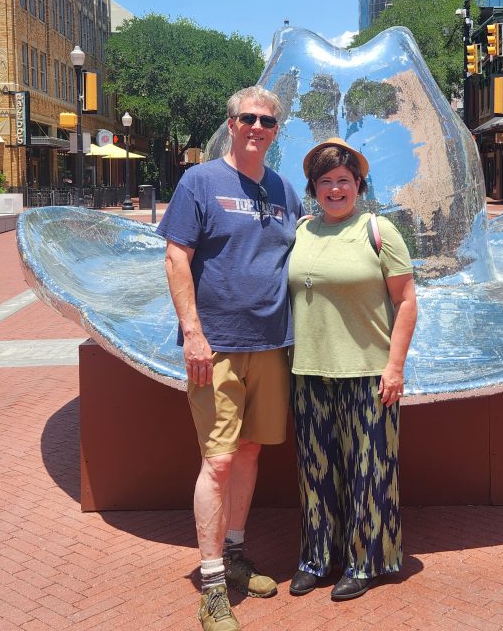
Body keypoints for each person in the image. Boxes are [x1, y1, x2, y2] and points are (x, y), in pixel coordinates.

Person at [158, 86, 302, 631]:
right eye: (248, 118)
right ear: (231, 123)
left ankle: (236, 554)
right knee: (217, 460)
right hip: (215, 347)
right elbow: (177, 257)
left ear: (274, 130)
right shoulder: (200, 181)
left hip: (270, 345)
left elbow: (305, 246)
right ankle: (212, 584)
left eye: (267, 121)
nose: (257, 127)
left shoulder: (285, 190)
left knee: (247, 454)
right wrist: (192, 332)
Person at [286, 138, 418, 601]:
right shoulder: (301, 230)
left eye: (344, 180)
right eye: (326, 182)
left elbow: (406, 303)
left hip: (367, 372)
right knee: (315, 472)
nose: (336, 189)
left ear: (359, 184)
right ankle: (316, 558)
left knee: (369, 471)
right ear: (314, 188)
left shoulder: (379, 231)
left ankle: (365, 563)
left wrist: (395, 367)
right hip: (308, 372)